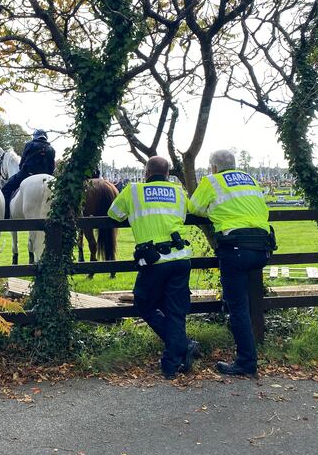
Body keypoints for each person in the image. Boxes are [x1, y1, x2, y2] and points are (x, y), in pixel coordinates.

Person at [107, 156, 199, 379]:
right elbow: (188, 212)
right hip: (180, 258)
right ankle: (173, 361)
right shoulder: (178, 192)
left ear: (146, 173)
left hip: (154, 260)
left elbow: (114, 213)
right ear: (168, 174)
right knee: (175, 310)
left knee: (143, 303)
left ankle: (181, 348)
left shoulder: (134, 190)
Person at [189, 149, 276, 378]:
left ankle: (246, 361)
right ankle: (248, 353)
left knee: (238, 307)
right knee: (246, 303)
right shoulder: (250, 180)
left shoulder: (212, 181)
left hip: (236, 248)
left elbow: (194, 208)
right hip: (262, 248)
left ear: (214, 167)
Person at [0, 129, 56, 218]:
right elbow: (52, 167)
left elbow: (22, 163)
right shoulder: (52, 149)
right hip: (48, 178)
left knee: (6, 189)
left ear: (35, 136)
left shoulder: (30, 144)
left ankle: (6, 217)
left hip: (27, 174)